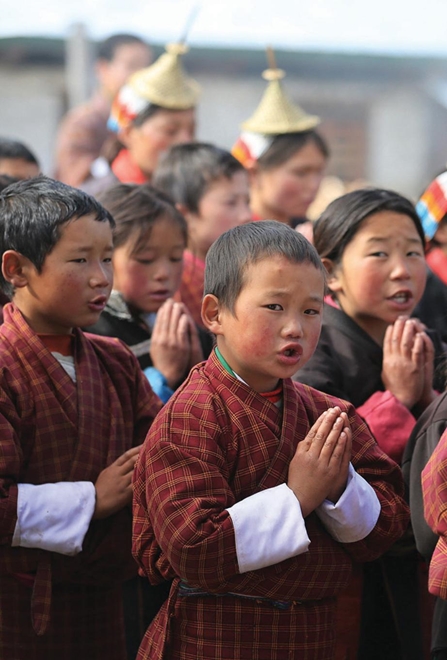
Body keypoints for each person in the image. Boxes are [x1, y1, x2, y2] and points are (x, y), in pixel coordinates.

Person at [132, 220, 410, 660]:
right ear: (214, 314)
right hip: (217, 636)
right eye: (275, 307)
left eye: (311, 310)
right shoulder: (190, 416)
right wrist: (299, 496)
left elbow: (387, 527)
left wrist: (339, 489)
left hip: (313, 634)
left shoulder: (329, 413)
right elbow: (194, 550)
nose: (295, 327)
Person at [0, 175, 162, 660]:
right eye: (79, 260)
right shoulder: (4, 364)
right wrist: (94, 498)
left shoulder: (114, 359)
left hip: (104, 595)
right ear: (18, 268)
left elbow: (159, 452)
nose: (101, 278)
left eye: (107, 257)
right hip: (16, 599)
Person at [294, 188, 442, 659]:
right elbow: (318, 457)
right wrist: (398, 398)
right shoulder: (314, 349)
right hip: (341, 566)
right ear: (330, 272)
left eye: (413, 252)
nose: (402, 269)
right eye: (379, 252)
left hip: (407, 558)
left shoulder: (425, 342)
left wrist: (428, 399)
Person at [85, 182, 213, 403]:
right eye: (145, 260)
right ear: (104, 257)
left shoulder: (183, 327)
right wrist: (164, 374)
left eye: (175, 258)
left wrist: (200, 370)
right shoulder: (92, 332)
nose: (164, 273)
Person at [153, 142, 251, 327]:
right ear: (184, 214)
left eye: (247, 201)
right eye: (231, 203)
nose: (246, 215)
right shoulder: (181, 281)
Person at [85, 43, 199, 196]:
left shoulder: (191, 196)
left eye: (191, 131)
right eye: (170, 131)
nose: (185, 141)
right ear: (128, 132)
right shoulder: (97, 203)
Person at [231, 54, 328, 234]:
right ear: (253, 173)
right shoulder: (232, 239)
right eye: (301, 173)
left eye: (319, 172)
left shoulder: (312, 233)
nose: (314, 185)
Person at [54, 33, 152, 188]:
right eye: (132, 66)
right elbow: (75, 182)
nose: (141, 76)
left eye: (146, 68)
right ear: (103, 68)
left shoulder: (147, 119)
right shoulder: (83, 122)